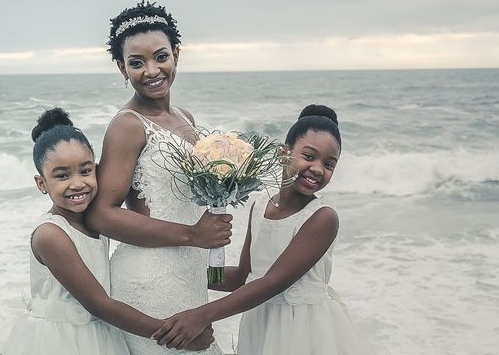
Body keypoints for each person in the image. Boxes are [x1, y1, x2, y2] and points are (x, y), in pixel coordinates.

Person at [151, 105, 365, 355]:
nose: (318, 169)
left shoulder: (323, 217)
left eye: (329, 164)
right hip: (260, 321)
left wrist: (201, 315)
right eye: (309, 156)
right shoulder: (261, 204)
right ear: (283, 153)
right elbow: (245, 276)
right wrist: (184, 273)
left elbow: (273, 282)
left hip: (302, 329)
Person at [2, 108, 214, 355]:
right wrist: (174, 335)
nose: (77, 183)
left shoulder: (93, 224)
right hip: (60, 340)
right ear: (42, 183)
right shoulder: (51, 235)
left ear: (98, 169)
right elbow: (100, 304)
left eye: (85, 170)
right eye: (62, 176)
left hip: (99, 335)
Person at [85, 0, 229, 355]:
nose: (151, 70)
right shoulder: (127, 125)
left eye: (160, 57)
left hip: (191, 275)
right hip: (149, 279)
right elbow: (100, 213)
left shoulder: (187, 118)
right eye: (137, 63)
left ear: (176, 54)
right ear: (122, 68)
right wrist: (193, 234)